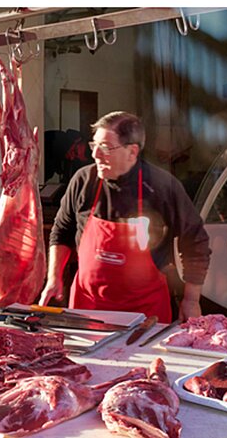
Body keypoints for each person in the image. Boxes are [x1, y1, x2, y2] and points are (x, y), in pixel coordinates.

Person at [38, 111, 211, 323]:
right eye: (94, 145)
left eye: (105, 147)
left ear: (132, 151)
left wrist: (191, 299)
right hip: (88, 310)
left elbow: (195, 242)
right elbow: (62, 231)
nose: (95, 155)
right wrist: (54, 277)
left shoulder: (162, 187)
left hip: (145, 315)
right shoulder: (83, 181)